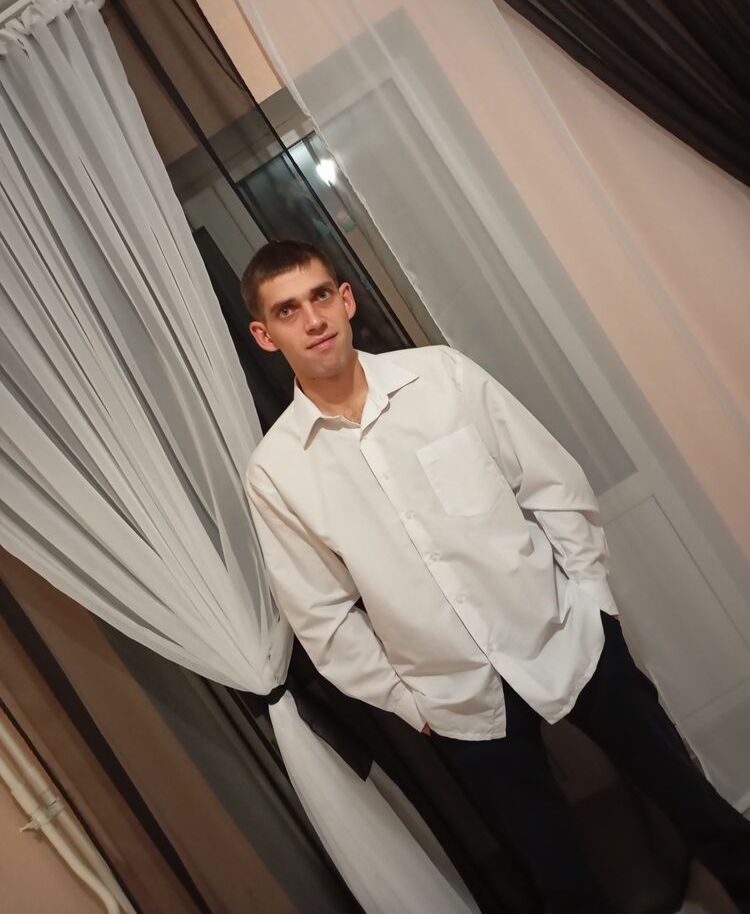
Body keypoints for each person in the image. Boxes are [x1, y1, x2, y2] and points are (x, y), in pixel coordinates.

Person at [243, 239, 750, 913]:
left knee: (696, 805)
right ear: (265, 335)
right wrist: (410, 703)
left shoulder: (442, 377)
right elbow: (322, 617)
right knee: (561, 883)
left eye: (319, 297)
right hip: (457, 702)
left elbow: (552, 483)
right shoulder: (276, 473)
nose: (312, 320)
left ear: (346, 299)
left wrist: (595, 603)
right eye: (287, 310)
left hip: (568, 638)